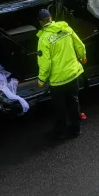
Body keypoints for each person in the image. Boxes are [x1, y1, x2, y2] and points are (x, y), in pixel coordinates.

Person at [36, 8, 87, 139]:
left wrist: (41, 80)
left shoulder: (44, 39)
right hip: (72, 74)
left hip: (58, 80)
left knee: (60, 106)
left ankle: (60, 131)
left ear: (41, 23)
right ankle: (76, 129)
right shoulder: (66, 28)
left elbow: (45, 64)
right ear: (51, 19)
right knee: (73, 101)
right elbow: (80, 45)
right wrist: (83, 57)